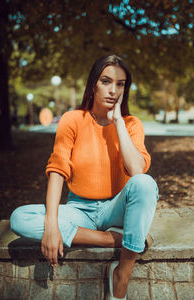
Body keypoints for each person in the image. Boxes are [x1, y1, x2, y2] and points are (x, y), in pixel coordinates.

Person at [10, 54, 159, 299]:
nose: (113, 90)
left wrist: (118, 122)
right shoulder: (72, 120)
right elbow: (57, 171)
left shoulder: (132, 124)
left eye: (120, 84)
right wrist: (50, 226)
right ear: (93, 84)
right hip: (80, 210)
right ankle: (119, 240)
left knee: (145, 183)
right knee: (19, 218)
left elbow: (136, 171)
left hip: (117, 208)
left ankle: (121, 274)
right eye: (106, 81)